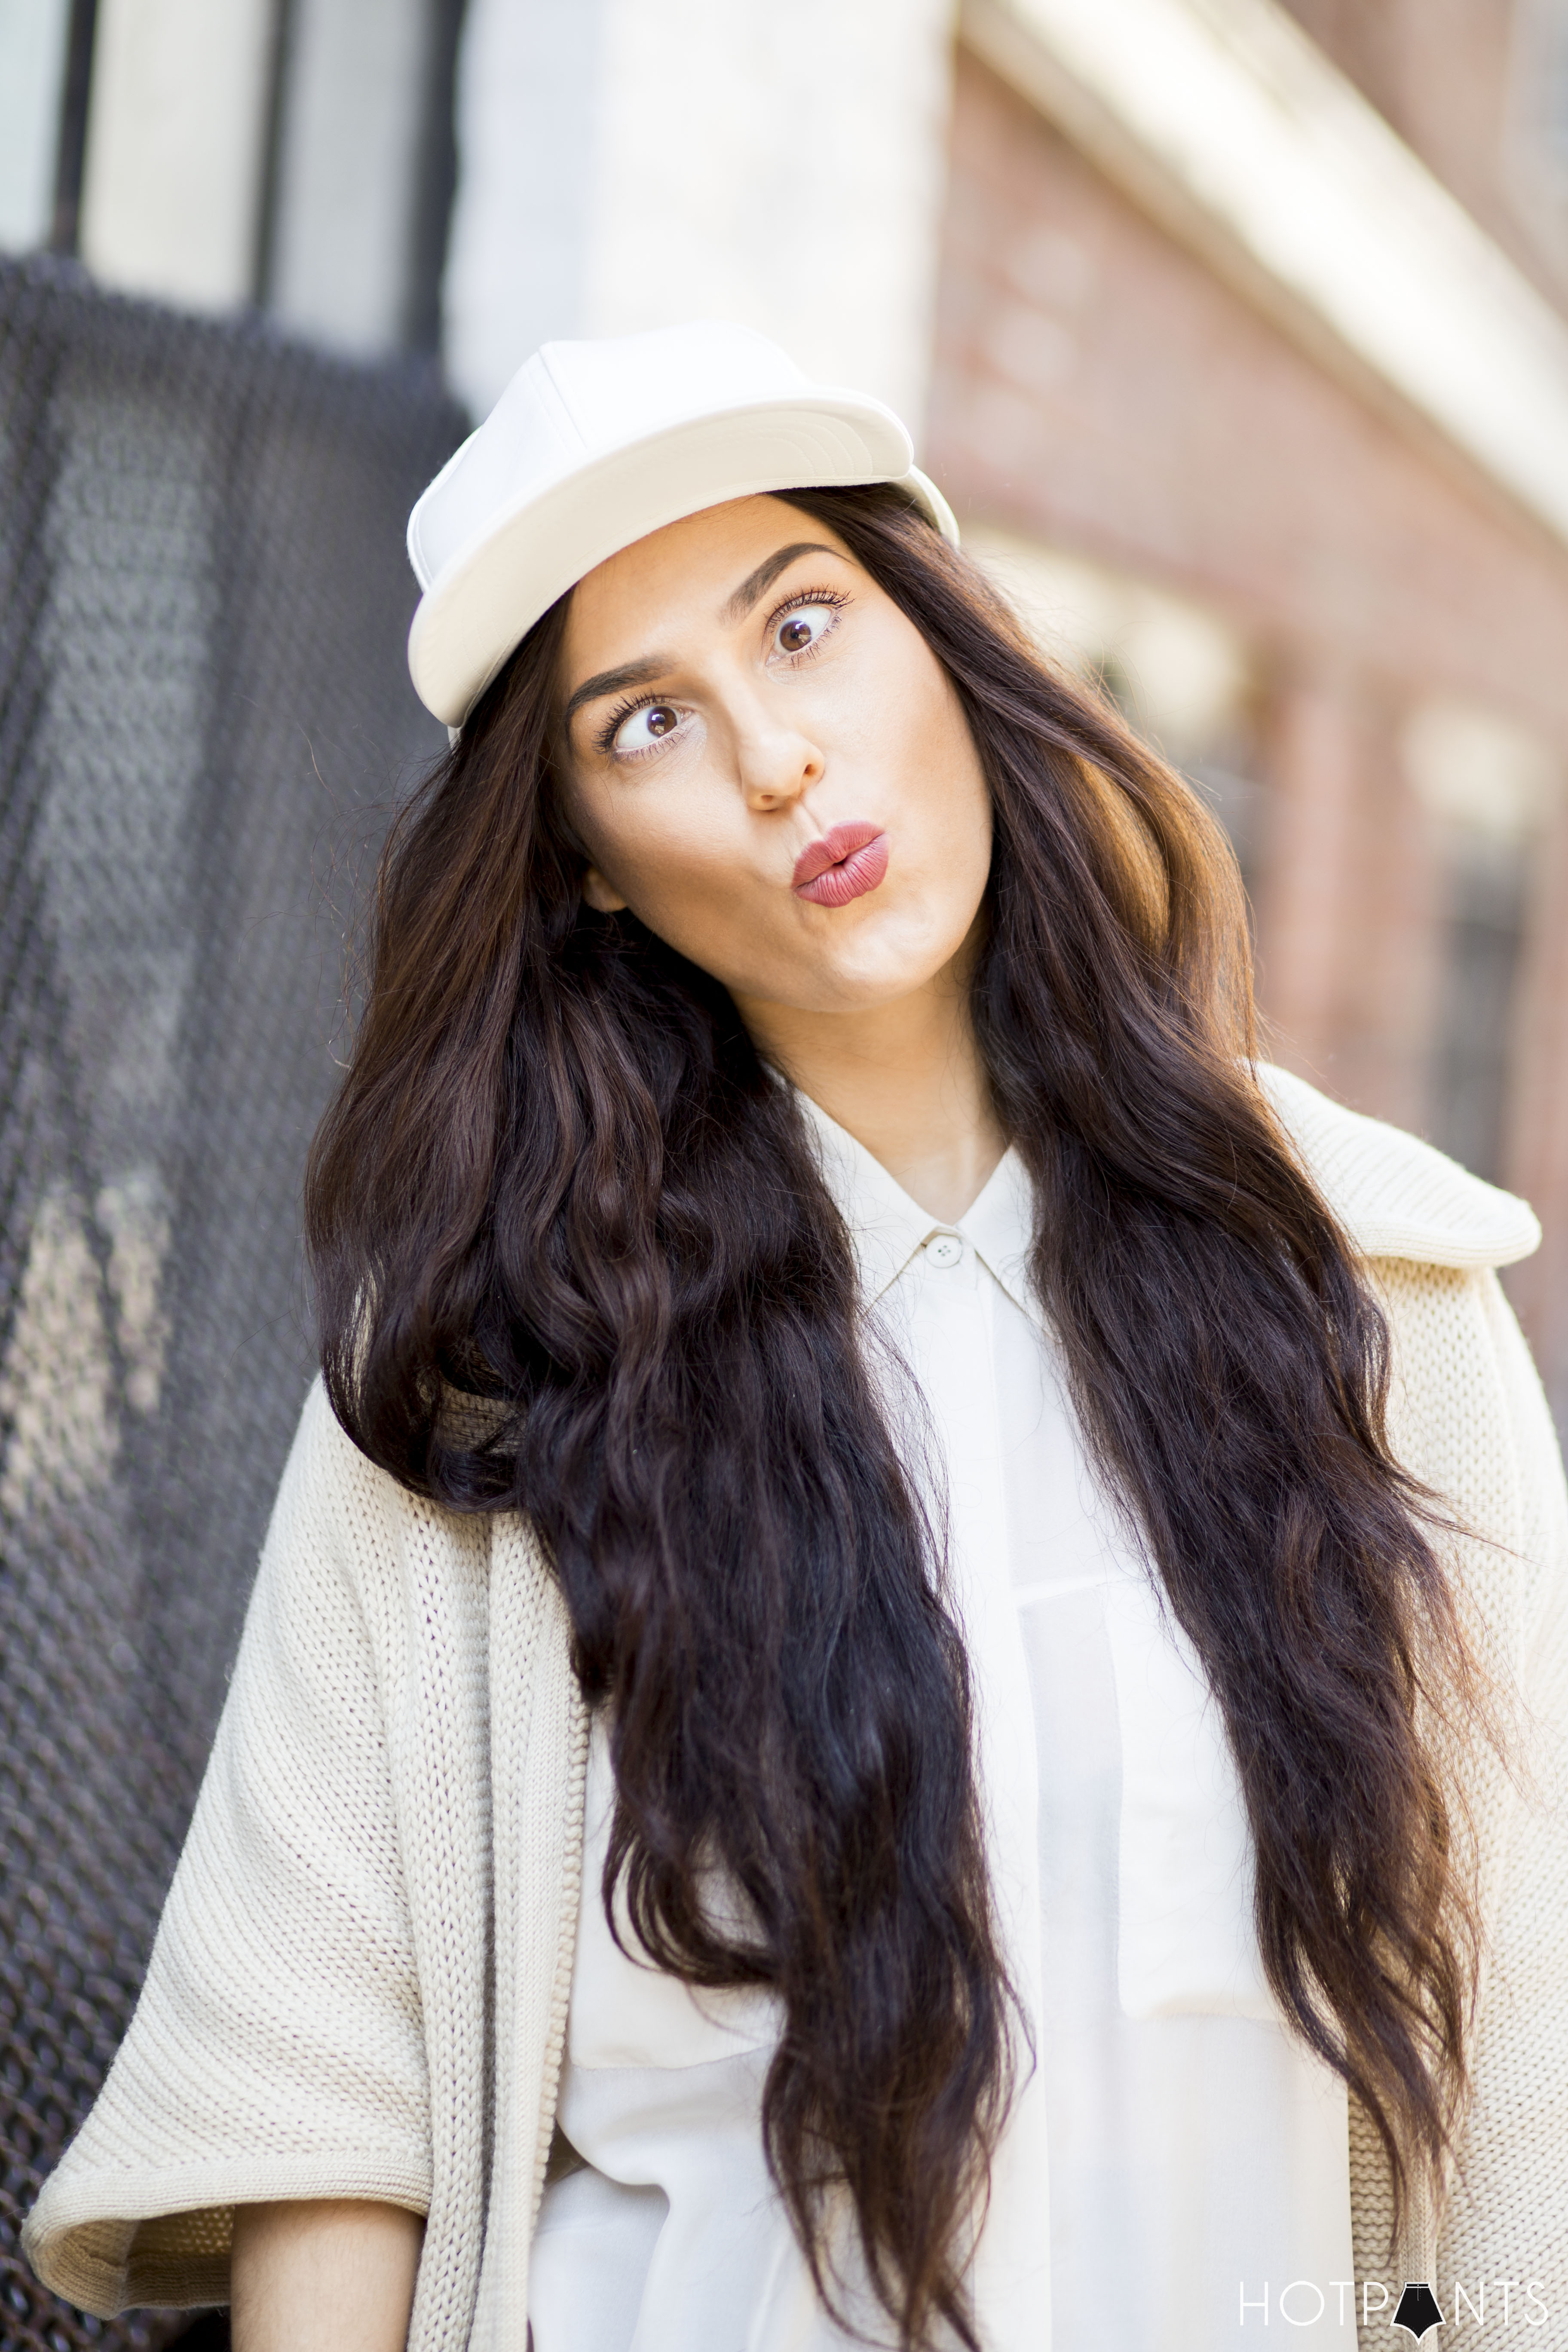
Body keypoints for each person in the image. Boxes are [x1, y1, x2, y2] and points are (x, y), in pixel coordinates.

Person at [24, 322, 1568, 2352]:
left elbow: (1520, 2065)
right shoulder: (480, 1395)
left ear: (945, 643)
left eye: (806, 627)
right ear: (580, 859)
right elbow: (328, 2095)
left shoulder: (1382, 1286)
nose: (774, 756)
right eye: (646, 723)